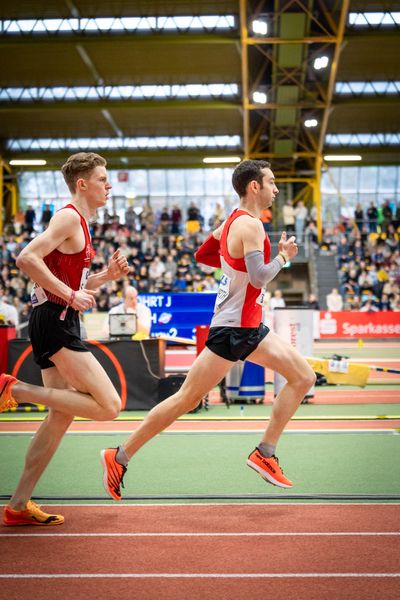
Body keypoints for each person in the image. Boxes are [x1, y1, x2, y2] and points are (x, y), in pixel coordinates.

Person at [100, 159, 316, 500]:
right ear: (254, 186)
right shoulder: (252, 225)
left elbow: (203, 254)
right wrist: (285, 257)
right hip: (235, 331)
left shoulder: (230, 221)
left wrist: (234, 266)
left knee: (303, 377)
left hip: (246, 327)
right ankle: (120, 455)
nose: (276, 189)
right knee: (185, 399)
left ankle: (266, 453)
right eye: (271, 183)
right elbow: (260, 277)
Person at [0, 152, 130, 526]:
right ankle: (16, 390)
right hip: (56, 320)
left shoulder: (82, 224)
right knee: (108, 405)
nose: (109, 185)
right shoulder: (69, 216)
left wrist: (104, 277)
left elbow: (73, 282)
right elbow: (26, 258)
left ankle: (18, 504)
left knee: (60, 416)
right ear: (82, 184)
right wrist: (71, 296)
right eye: (103, 179)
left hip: (53, 317)